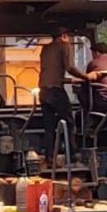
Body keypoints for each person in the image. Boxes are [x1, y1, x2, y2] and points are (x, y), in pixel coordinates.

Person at [39, 27, 91, 156]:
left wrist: (68, 81)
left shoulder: (45, 49)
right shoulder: (64, 45)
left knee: (49, 126)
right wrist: (86, 77)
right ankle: (72, 155)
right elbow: (70, 67)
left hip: (43, 90)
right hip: (56, 90)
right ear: (64, 36)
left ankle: (50, 157)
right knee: (69, 122)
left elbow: (50, 71)